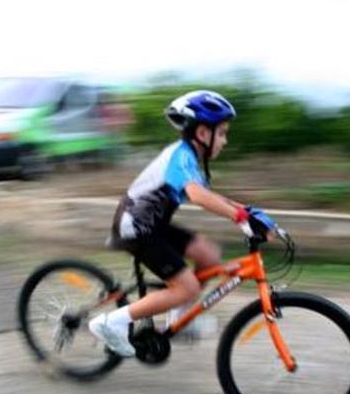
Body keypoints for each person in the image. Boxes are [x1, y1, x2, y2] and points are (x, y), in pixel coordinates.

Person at [89, 90, 254, 357]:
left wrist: (248, 212)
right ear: (203, 133)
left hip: (152, 224)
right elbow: (199, 196)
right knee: (186, 287)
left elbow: (210, 195)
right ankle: (108, 324)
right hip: (136, 227)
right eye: (222, 132)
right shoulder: (180, 157)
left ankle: (179, 321)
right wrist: (239, 218)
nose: (225, 139)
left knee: (208, 254)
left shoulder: (189, 156)